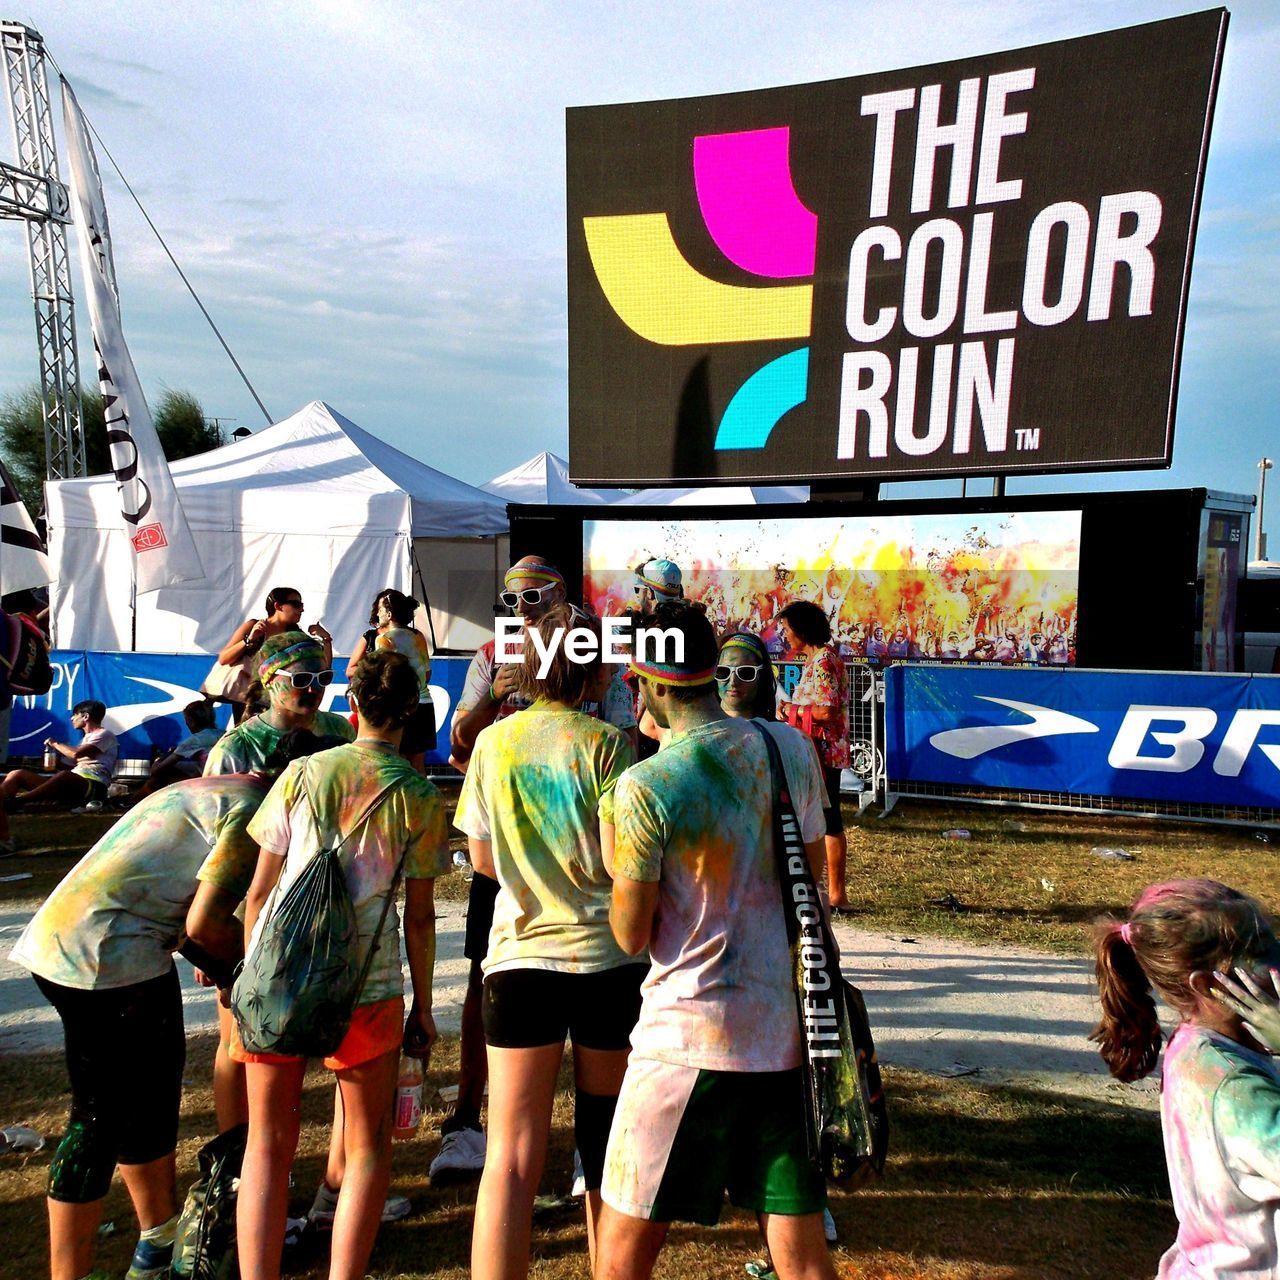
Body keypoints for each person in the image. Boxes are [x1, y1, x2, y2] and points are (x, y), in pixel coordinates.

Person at [596, 601, 835, 1280]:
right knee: (803, 1260)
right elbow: (807, 879)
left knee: (620, 1259)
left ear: (649, 684)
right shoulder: (787, 746)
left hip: (684, 1044)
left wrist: (615, 851)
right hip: (784, 1040)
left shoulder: (645, 787)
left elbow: (631, 932)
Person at [8, 753, 308, 1280]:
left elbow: (189, 923)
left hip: (82, 941)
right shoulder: (257, 813)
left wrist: (224, 971)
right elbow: (206, 923)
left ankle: (158, 1237)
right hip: (104, 957)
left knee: (149, 1096)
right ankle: (69, 1272)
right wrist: (259, 977)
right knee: (98, 1117)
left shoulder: (208, 788)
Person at [234, 651, 451, 1280]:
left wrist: (251, 974)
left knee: (267, 1145)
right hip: (368, 985)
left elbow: (257, 892)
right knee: (366, 1149)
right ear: (412, 713)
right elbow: (419, 915)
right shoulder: (418, 798)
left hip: (278, 976)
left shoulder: (302, 773)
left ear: (349, 704)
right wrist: (424, 1005)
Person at [455, 604, 642, 1280]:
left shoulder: (492, 745)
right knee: (603, 1142)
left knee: (508, 1154)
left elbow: (479, 857)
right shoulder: (607, 746)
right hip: (604, 961)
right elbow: (627, 863)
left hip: (517, 962)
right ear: (593, 667)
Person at [1091, 880, 1280, 1278]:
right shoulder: (1233, 1086)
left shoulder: (1199, 1045)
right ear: (1210, 986)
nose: (1278, 957)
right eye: (1261, 951)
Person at [775, 600, 851, 912]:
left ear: (802, 630)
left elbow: (826, 710)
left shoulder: (822, 663)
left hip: (823, 752)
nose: (785, 637)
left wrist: (788, 710)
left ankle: (836, 896)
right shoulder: (818, 660)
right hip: (817, 750)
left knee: (829, 820)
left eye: (787, 630)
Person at [203, 631, 355, 777]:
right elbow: (209, 800)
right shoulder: (237, 748)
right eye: (301, 679)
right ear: (269, 681)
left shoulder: (339, 728)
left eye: (324, 677)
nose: (313, 688)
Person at [0, 699, 119, 853]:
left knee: (65, 776)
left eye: (75, 715)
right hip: (73, 783)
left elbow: (76, 755)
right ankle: (2, 801)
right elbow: (72, 765)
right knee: (17, 774)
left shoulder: (104, 735)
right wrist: (55, 763)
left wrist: (55, 744)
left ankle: (18, 803)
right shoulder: (85, 739)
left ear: (86, 717)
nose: (71, 719)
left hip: (94, 785)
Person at [215, 587, 333, 722]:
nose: (301, 609)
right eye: (296, 604)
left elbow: (323, 668)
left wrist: (326, 639)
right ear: (278, 606)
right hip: (249, 698)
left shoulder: (296, 637)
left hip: (279, 700)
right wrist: (249, 640)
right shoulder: (254, 626)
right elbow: (224, 659)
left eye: (301, 605)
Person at [347, 588, 435, 767]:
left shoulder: (383, 640)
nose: (377, 613)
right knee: (417, 766)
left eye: (380, 609)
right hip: (422, 702)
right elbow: (427, 674)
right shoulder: (417, 637)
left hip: (395, 705)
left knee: (391, 762)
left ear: (388, 613)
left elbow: (382, 672)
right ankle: (421, 795)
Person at [131, 699, 223, 801]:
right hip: (229, 779)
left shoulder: (194, 741)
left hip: (207, 783)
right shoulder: (225, 734)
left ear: (190, 721)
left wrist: (160, 760)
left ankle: (134, 802)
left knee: (159, 776)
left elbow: (156, 770)